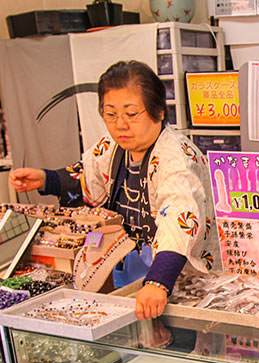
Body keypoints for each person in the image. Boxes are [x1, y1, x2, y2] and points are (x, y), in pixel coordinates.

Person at [9, 60, 220, 321]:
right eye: (110, 114)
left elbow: (180, 218)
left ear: (158, 112)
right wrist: (44, 179)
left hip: (179, 278)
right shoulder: (113, 145)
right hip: (132, 269)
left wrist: (158, 282)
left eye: (132, 115)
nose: (120, 125)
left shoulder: (176, 158)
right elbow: (88, 176)